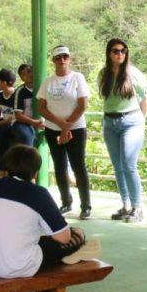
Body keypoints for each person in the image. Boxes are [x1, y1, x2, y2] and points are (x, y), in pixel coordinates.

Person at [0, 144, 95, 280]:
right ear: (35, 172)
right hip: (14, 266)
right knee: (76, 235)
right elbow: (63, 238)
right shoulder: (38, 193)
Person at [98, 38, 147, 224]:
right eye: (115, 51)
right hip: (110, 123)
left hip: (131, 121)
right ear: (109, 53)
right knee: (118, 166)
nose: (120, 54)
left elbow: (145, 99)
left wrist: (140, 122)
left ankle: (138, 207)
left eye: (123, 50)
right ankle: (126, 205)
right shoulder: (103, 74)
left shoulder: (133, 74)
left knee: (129, 164)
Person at [37, 45, 92, 219]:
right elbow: (42, 108)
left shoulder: (77, 77)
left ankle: (86, 205)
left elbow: (83, 105)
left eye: (65, 57)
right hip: (53, 129)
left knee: (78, 166)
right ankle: (66, 202)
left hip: (76, 129)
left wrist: (67, 126)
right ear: (53, 60)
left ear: (69, 58)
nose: (62, 60)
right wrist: (61, 125)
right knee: (59, 166)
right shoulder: (48, 81)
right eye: (58, 57)